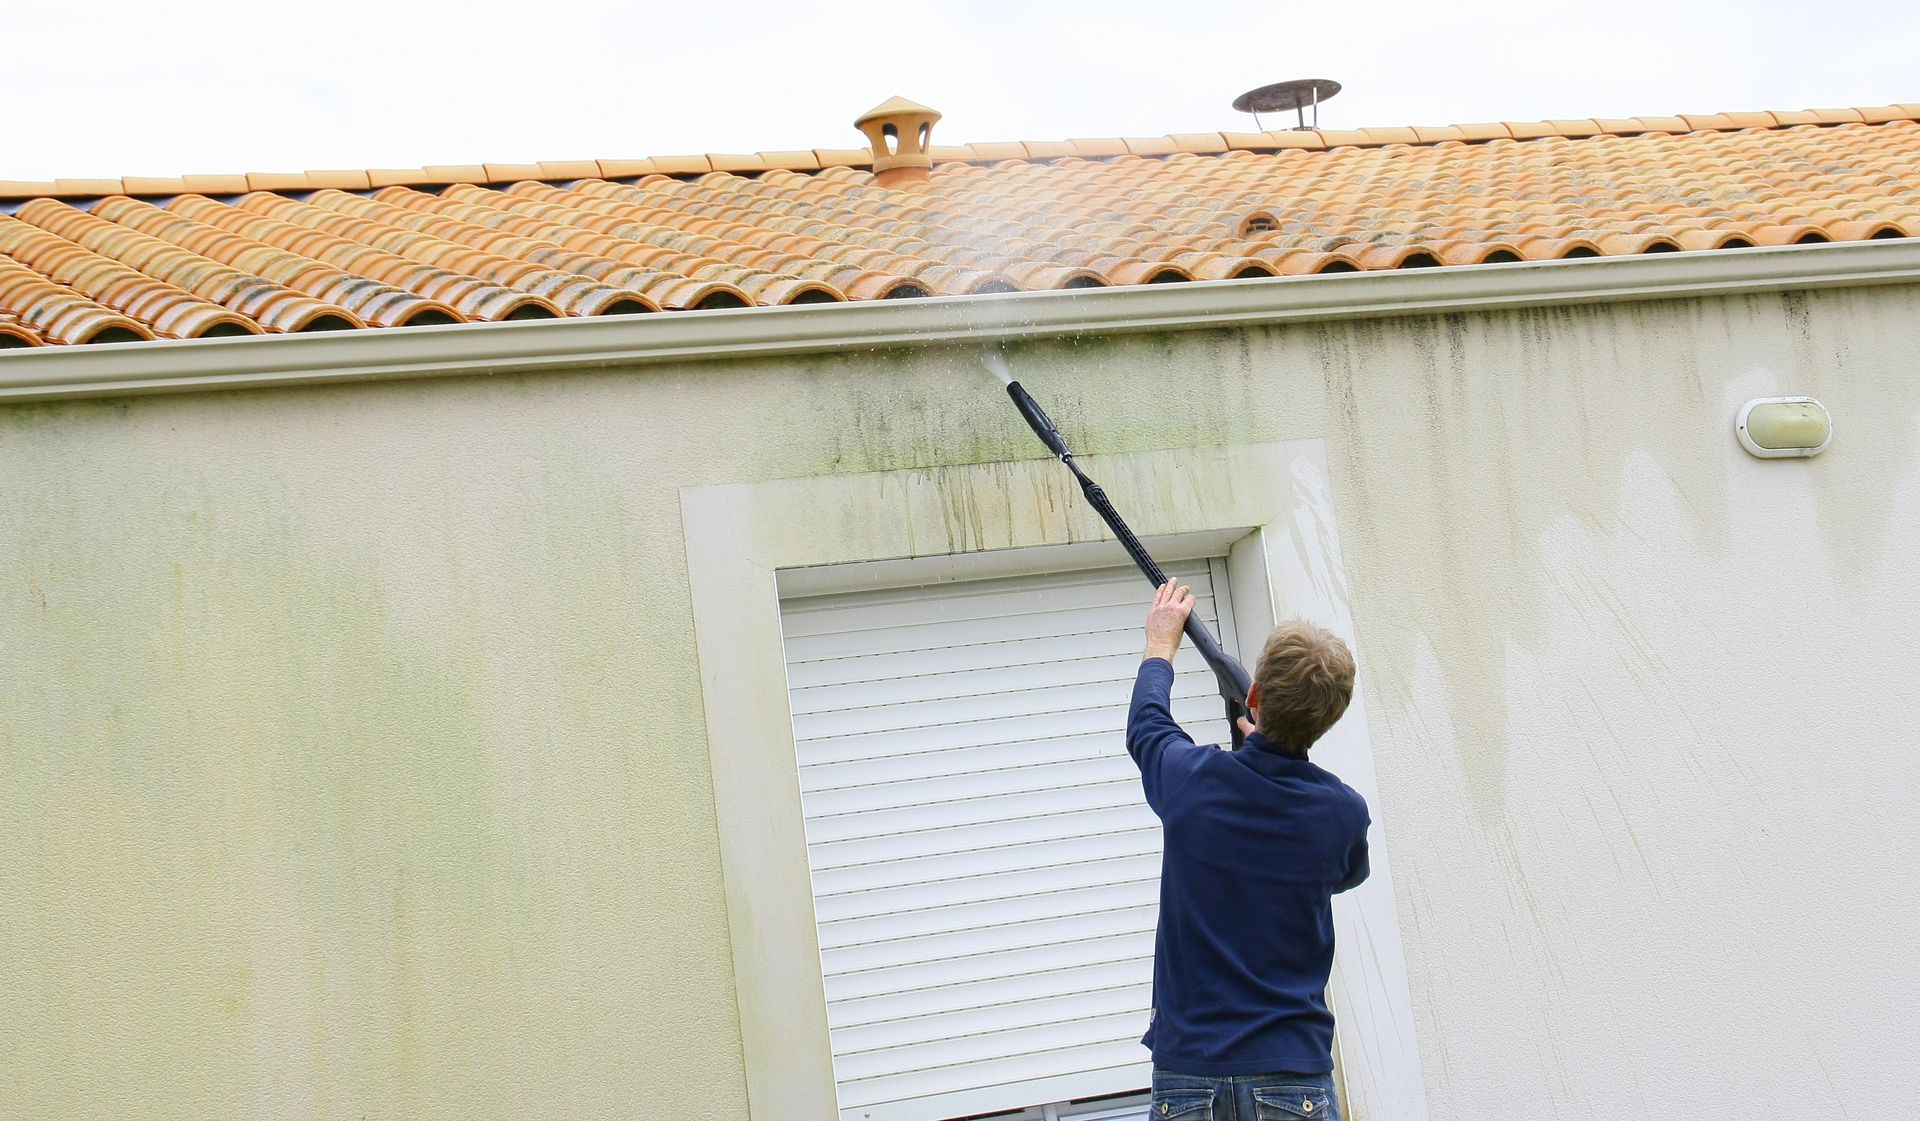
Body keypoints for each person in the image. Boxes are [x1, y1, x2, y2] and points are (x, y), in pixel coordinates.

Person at [1128, 580, 1370, 1121]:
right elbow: (1344, 874)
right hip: (1293, 1081)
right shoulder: (1342, 815)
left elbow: (1148, 727)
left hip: (1188, 1075)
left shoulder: (1192, 783)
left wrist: (1160, 645)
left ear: (1254, 697)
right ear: (1328, 719)